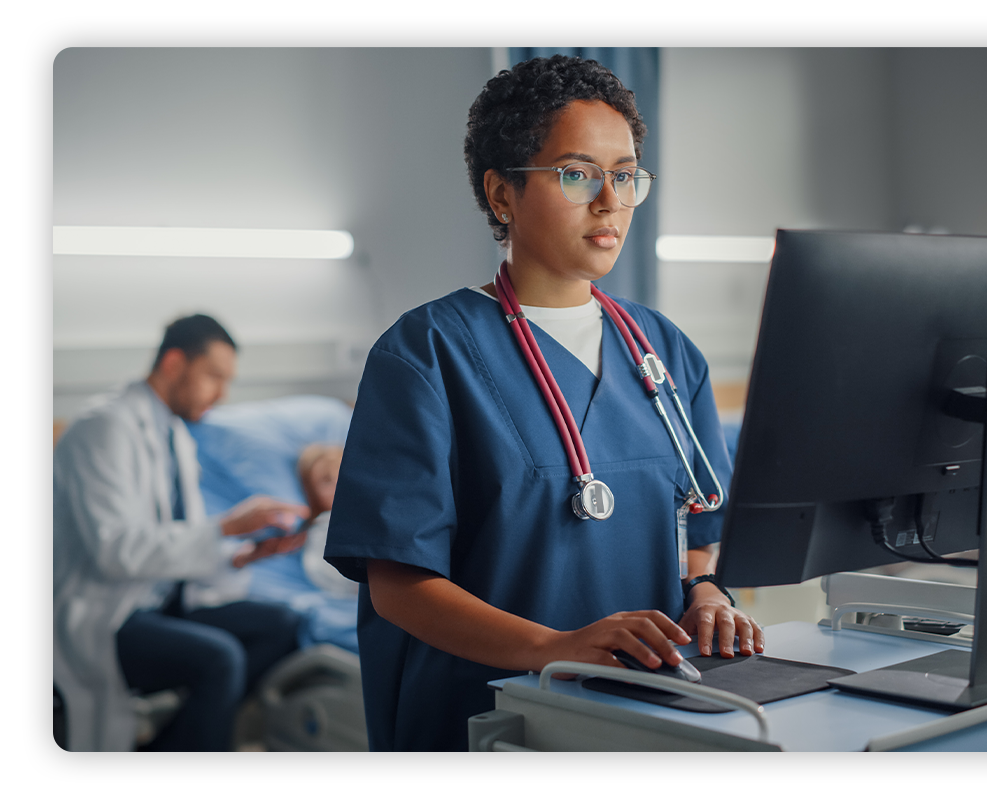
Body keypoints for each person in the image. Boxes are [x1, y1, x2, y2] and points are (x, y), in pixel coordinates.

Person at [323, 55, 764, 752]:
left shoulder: (667, 351)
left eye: (624, 175)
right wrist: (556, 646)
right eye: (578, 173)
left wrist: (707, 596)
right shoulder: (426, 353)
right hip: (487, 723)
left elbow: (700, 539)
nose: (609, 199)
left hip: (645, 712)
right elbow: (398, 587)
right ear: (502, 195)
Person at [52, 314, 311, 751]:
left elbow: (182, 540)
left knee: (282, 624)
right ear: (174, 362)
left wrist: (241, 555)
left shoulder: (174, 434)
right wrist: (227, 525)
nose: (221, 394)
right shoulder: (103, 428)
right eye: (214, 376)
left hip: (161, 600)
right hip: (105, 615)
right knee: (219, 658)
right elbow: (116, 551)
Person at [295, 443, 357, 597]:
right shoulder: (322, 529)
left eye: (343, 473)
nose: (338, 484)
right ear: (313, 495)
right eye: (326, 480)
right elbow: (325, 575)